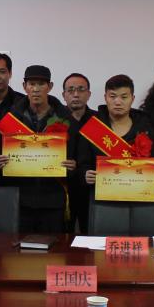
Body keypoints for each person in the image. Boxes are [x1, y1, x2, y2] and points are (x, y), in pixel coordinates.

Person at [0, 65, 75, 233]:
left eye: (41, 84)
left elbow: (77, 158)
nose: (36, 89)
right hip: (19, 199)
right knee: (18, 247)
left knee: (54, 247)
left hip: (53, 199)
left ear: (50, 87)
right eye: (31, 84)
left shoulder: (65, 118)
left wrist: (73, 166)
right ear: (24, 87)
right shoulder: (11, 117)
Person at [76, 74, 154, 201]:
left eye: (124, 97)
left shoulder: (146, 127)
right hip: (103, 201)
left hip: (141, 199)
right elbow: (81, 165)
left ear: (132, 98)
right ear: (105, 98)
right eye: (112, 96)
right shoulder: (93, 127)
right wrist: (85, 174)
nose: (118, 102)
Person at [62, 72, 93, 233]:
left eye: (81, 89)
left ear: (89, 94)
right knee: (63, 237)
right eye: (71, 90)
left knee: (91, 234)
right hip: (63, 189)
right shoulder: (54, 119)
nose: (76, 94)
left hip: (91, 189)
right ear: (63, 95)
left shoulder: (99, 120)